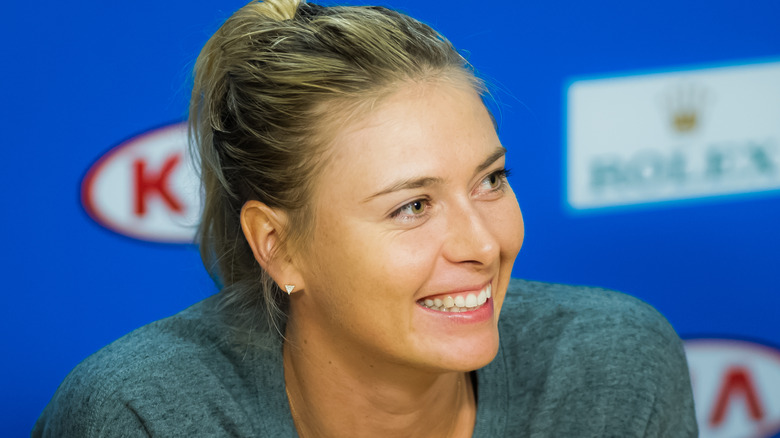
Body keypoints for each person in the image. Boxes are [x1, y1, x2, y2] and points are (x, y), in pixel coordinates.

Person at [33, 0, 698, 436]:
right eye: (412, 206)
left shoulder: (613, 370)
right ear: (278, 246)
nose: (482, 243)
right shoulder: (145, 415)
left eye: (490, 180)